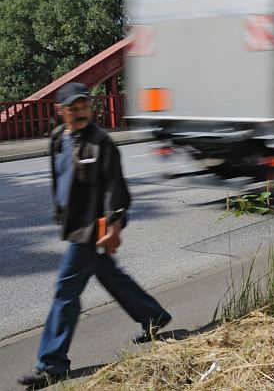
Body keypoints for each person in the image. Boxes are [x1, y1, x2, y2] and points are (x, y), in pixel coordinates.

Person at [17, 82, 171, 389]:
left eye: (84, 106)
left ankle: (52, 363)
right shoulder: (59, 138)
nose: (80, 112)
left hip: (92, 228)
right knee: (109, 275)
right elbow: (58, 177)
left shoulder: (101, 142)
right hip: (75, 224)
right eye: (73, 108)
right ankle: (153, 316)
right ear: (60, 112)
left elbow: (116, 188)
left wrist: (113, 226)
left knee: (65, 291)